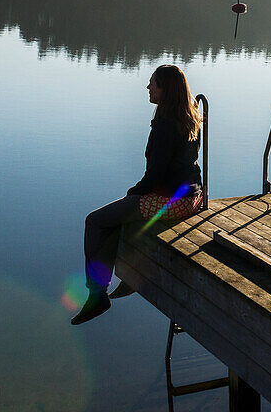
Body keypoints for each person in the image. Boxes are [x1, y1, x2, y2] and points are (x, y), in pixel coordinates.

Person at [71, 63, 204, 325]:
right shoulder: (189, 117)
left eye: (152, 83)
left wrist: (132, 194)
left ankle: (97, 295)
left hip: (171, 202)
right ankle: (129, 277)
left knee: (95, 221)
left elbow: (155, 176)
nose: (148, 87)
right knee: (122, 215)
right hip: (192, 198)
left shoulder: (165, 125)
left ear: (164, 90)